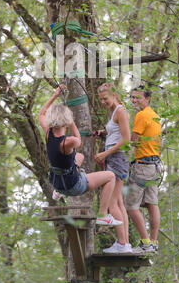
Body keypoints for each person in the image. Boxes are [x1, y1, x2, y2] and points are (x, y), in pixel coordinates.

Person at [38, 84, 123, 226]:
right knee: (110, 176)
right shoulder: (67, 142)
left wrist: (55, 95)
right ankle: (103, 215)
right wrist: (72, 123)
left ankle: (58, 192)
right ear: (65, 120)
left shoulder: (48, 133)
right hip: (74, 185)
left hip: (57, 182)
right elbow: (78, 140)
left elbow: (41, 114)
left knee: (80, 156)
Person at [94, 82, 132, 253]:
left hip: (117, 158)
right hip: (116, 157)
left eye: (105, 98)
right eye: (101, 100)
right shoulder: (114, 112)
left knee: (111, 202)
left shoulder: (121, 112)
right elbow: (116, 132)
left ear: (114, 95)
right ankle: (125, 243)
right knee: (117, 202)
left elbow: (126, 140)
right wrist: (104, 132)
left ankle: (122, 244)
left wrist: (105, 154)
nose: (103, 102)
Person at [125, 86, 162, 254]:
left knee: (131, 205)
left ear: (147, 99)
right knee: (152, 203)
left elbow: (133, 141)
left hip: (142, 166)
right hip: (155, 166)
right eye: (132, 98)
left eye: (138, 98)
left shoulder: (141, 115)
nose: (134, 101)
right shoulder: (155, 116)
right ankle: (153, 242)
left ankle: (145, 242)